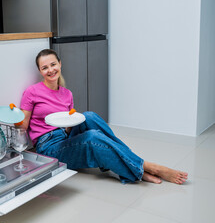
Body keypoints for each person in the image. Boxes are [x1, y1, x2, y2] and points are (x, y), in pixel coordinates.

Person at [18, 49, 188, 184]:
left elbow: (69, 127)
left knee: (89, 116)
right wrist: (12, 119)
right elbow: (23, 126)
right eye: (45, 67)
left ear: (60, 64)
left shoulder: (66, 94)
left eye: (53, 64)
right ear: (40, 71)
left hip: (65, 135)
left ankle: (134, 162)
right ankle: (147, 167)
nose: (50, 70)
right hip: (48, 146)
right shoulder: (32, 92)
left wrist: (73, 122)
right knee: (92, 137)